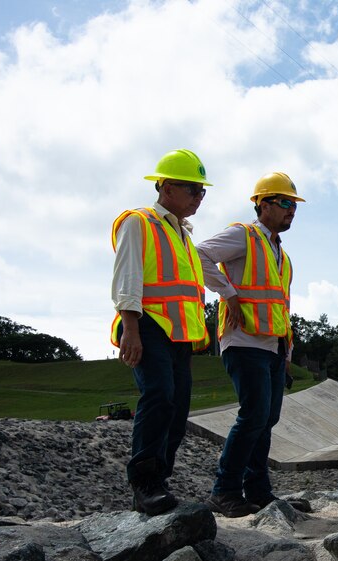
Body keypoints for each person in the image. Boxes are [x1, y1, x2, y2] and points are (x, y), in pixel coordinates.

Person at [110, 149, 213, 516]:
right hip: (148, 325)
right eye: (192, 189)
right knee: (158, 396)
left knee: (178, 405)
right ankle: (145, 483)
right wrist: (131, 329)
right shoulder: (140, 222)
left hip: (179, 336)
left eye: (203, 191)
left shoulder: (182, 234)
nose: (199, 197)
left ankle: (160, 479)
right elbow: (128, 277)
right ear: (167, 187)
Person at [196, 172, 304, 518]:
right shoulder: (244, 235)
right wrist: (228, 294)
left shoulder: (281, 255)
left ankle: (257, 490)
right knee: (254, 414)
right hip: (243, 341)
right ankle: (224, 490)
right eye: (285, 203)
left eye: (293, 205)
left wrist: (286, 352)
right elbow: (199, 255)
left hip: (271, 345)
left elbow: (281, 305)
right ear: (263, 204)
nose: (291, 210)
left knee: (266, 418)